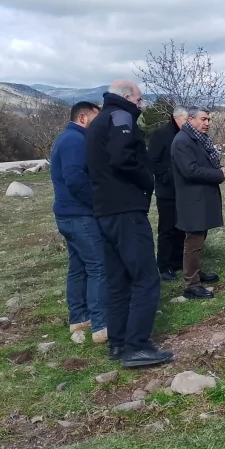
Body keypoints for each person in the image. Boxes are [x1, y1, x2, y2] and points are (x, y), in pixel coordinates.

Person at [86, 79, 172, 368]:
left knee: (118, 279)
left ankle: (118, 341)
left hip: (104, 211)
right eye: (139, 99)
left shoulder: (97, 121)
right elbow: (122, 157)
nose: (141, 105)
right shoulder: (121, 117)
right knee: (146, 278)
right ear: (126, 97)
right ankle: (137, 346)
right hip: (126, 210)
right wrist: (148, 181)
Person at [50, 101, 108, 344]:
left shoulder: (65, 138)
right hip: (80, 215)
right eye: (96, 118)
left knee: (78, 267)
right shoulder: (76, 141)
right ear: (83, 118)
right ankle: (101, 324)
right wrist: (98, 203)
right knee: (98, 266)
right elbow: (75, 179)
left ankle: (79, 317)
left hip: (66, 216)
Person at [171, 107, 225, 299]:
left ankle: (196, 273)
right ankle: (191, 284)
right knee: (193, 241)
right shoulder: (182, 141)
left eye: (209, 119)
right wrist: (217, 174)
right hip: (192, 200)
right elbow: (191, 171)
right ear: (191, 120)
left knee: (199, 239)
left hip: (200, 198)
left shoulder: (195, 138)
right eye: (203, 119)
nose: (207, 123)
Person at [148, 107, 188, 282]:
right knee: (166, 229)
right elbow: (152, 161)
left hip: (184, 190)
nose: (188, 124)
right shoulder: (160, 135)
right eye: (186, 120)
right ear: (176, 118)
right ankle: (164, 265)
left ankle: (178, 260)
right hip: (167, 190)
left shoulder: (186, 135)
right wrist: (166, 176)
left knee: (182, 227)